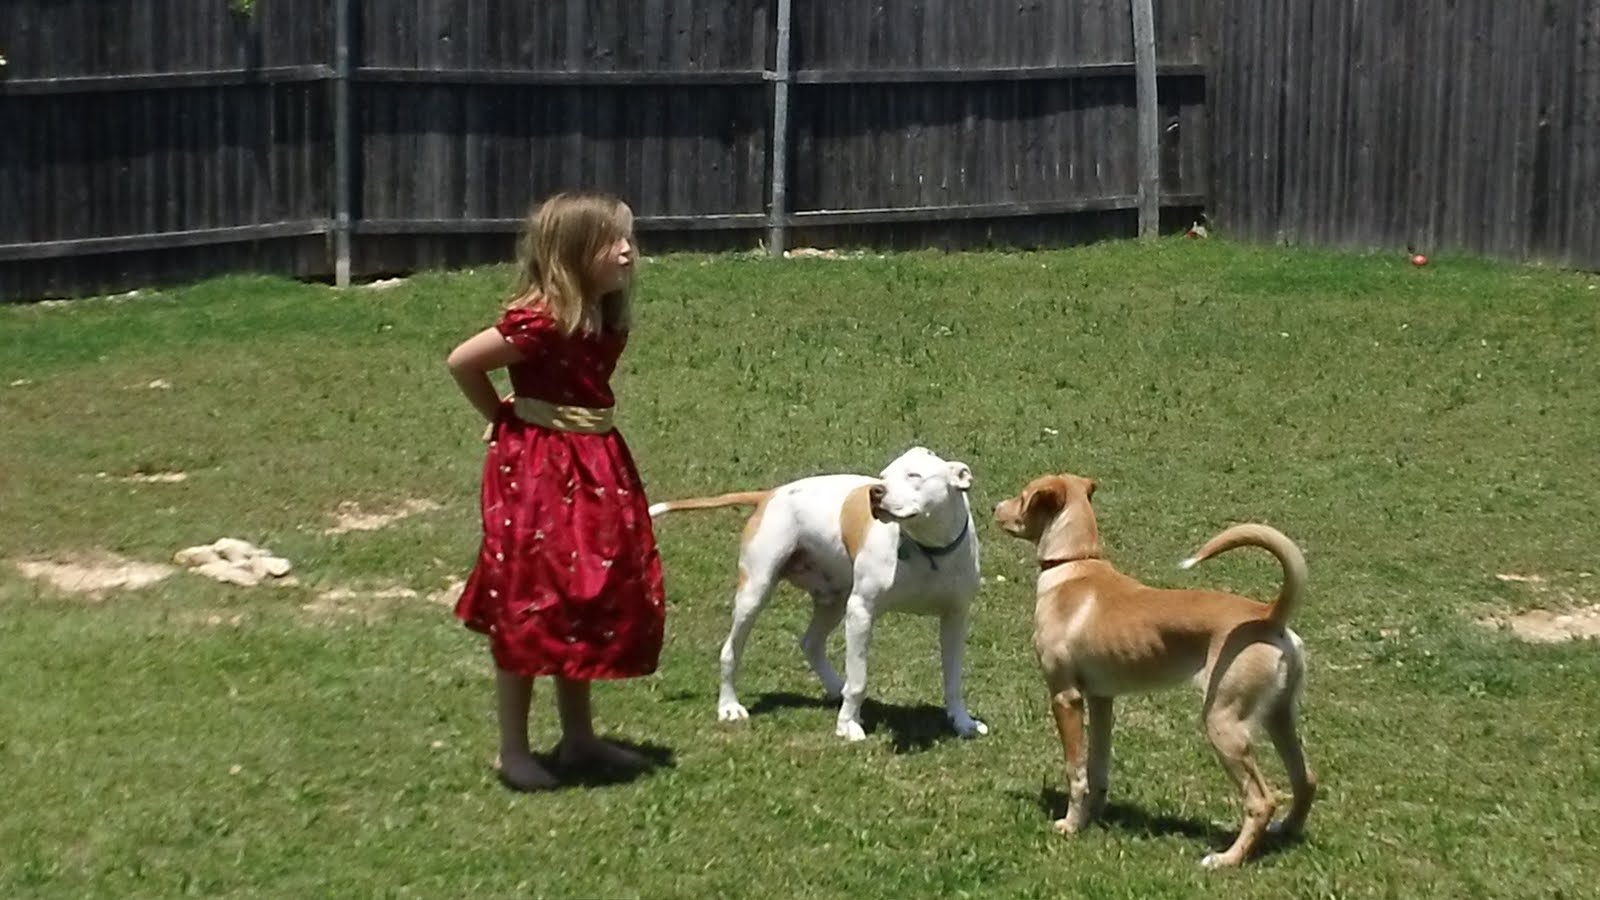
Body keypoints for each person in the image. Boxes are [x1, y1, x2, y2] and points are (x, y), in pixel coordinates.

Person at [445, 191, 666, 791]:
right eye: (612, 241)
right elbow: (463, 361)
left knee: (584, 591)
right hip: (539, 470)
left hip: (595, 462)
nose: (628, 251)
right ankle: (513, 751)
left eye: (628, 238)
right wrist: (502, 415)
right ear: (571, 253)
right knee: (530, 600)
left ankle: (578, 737)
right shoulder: (540, 321)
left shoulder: (601, 313)